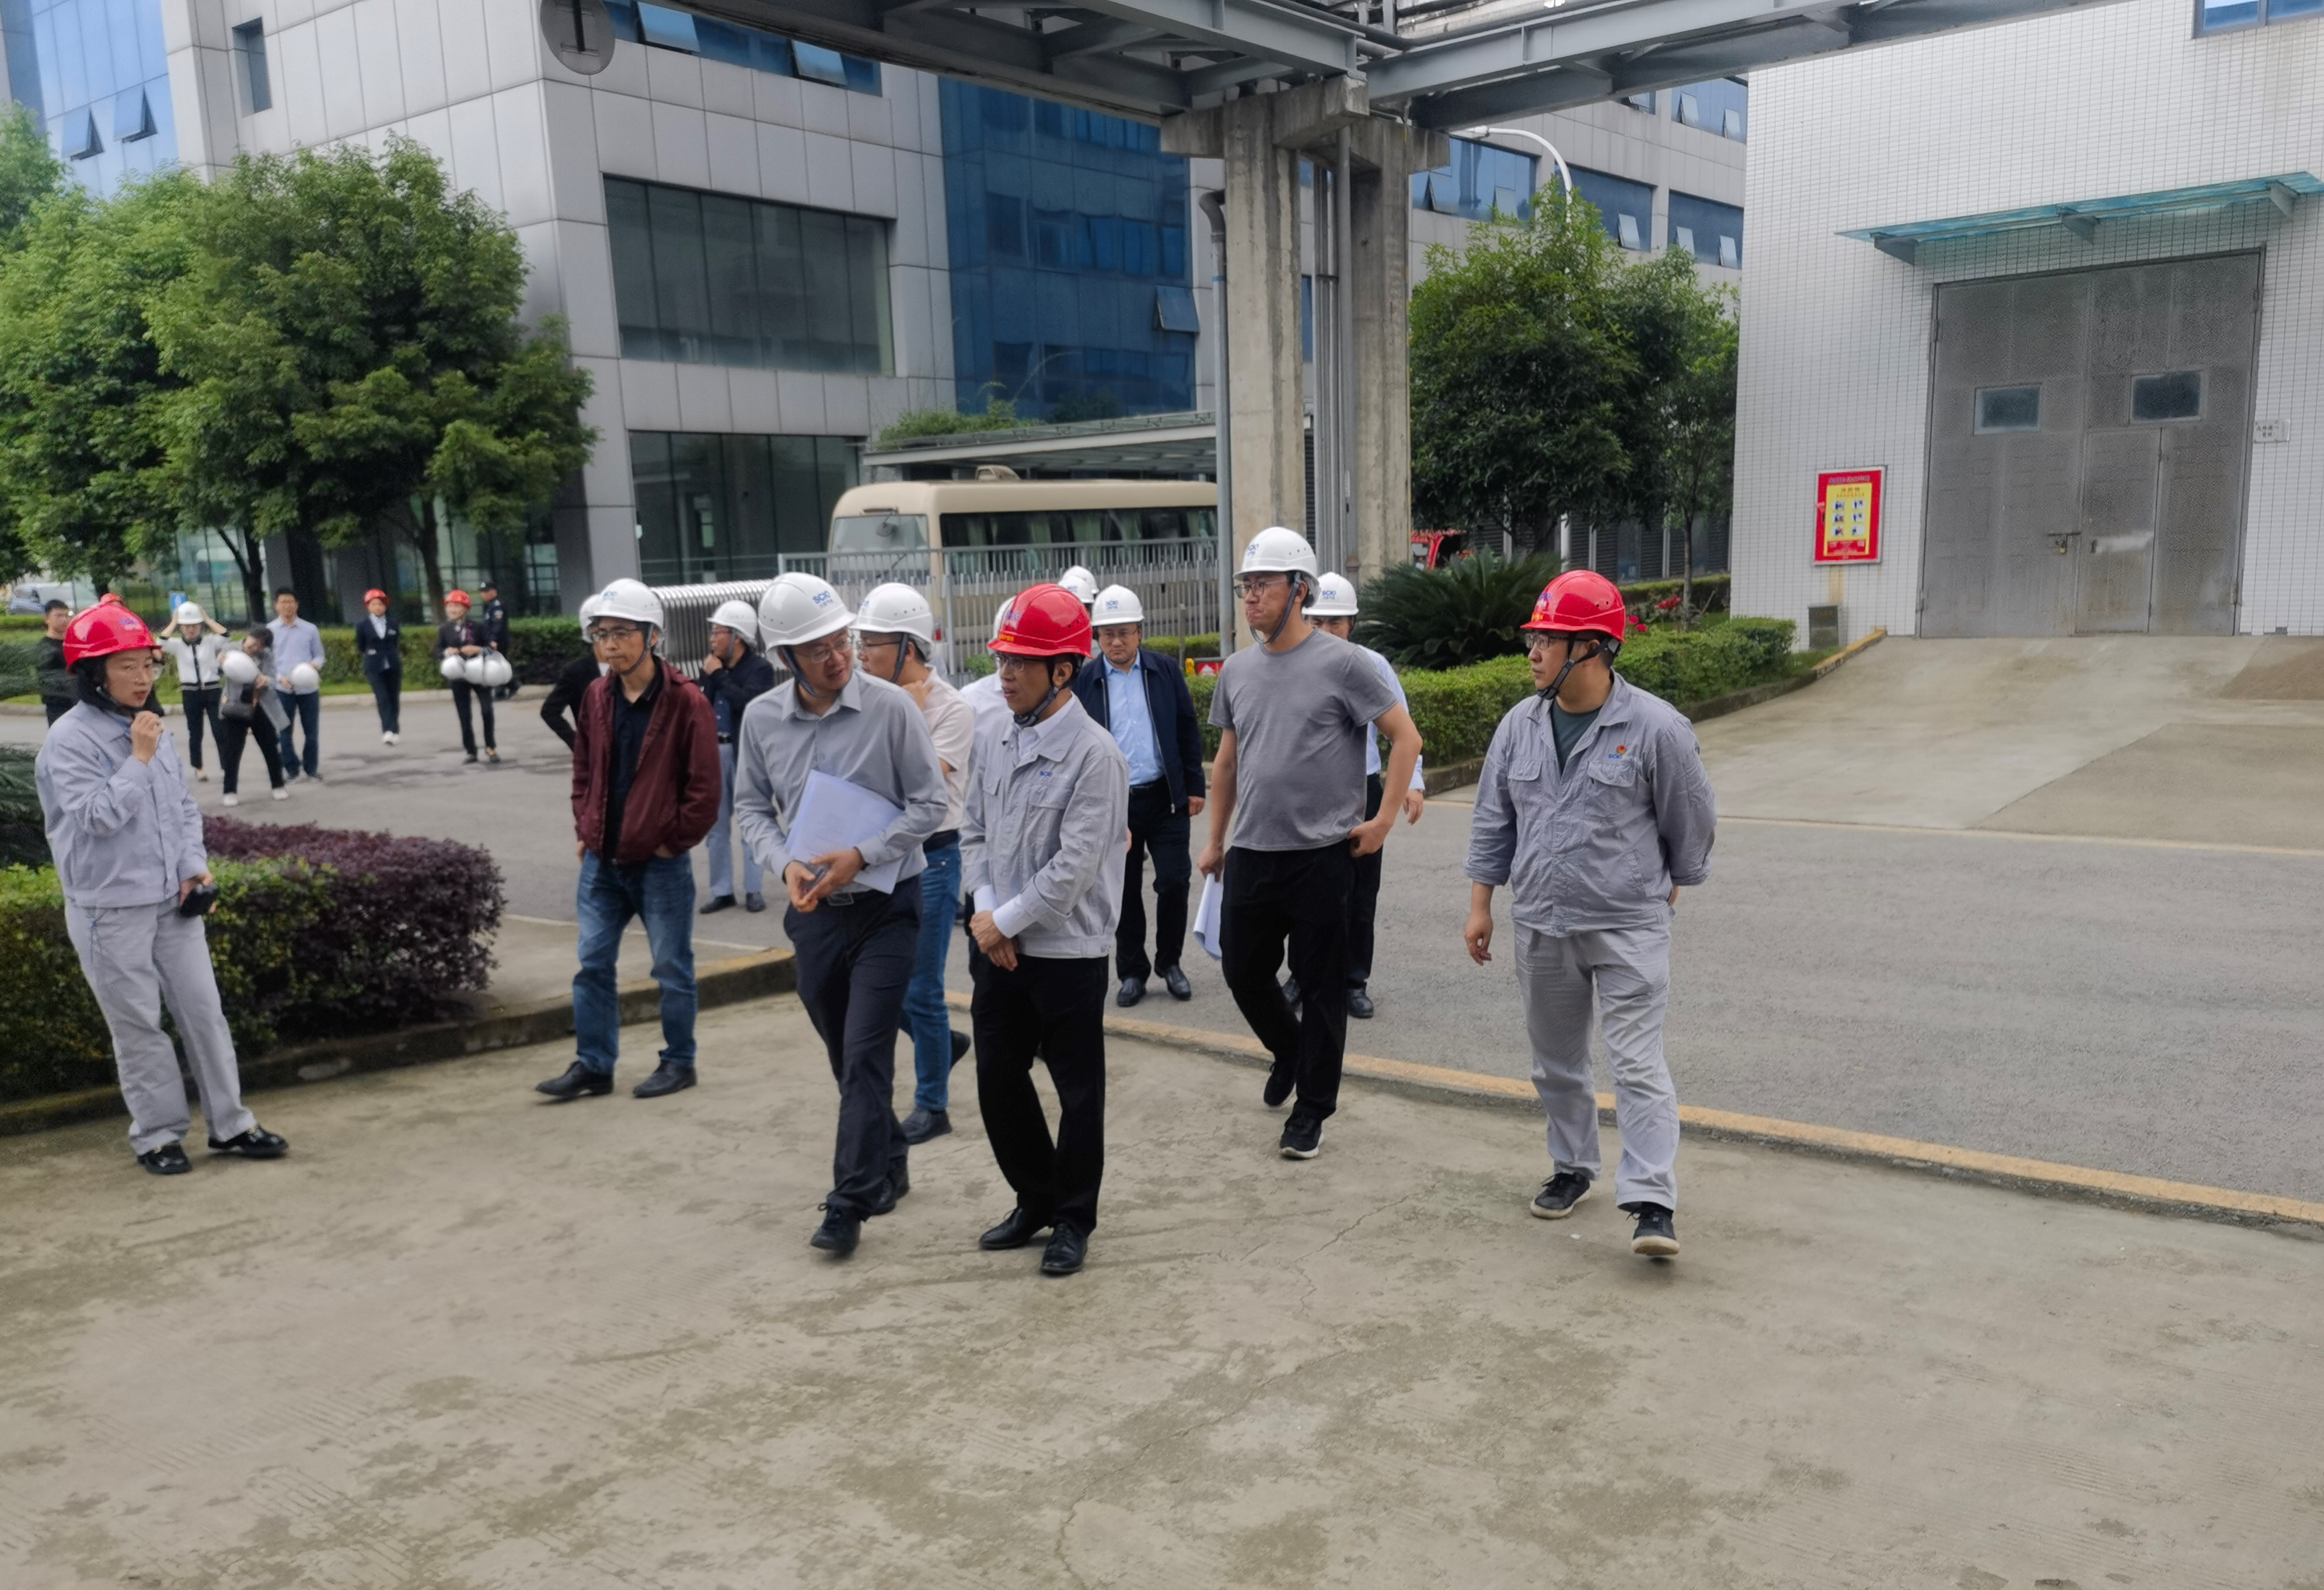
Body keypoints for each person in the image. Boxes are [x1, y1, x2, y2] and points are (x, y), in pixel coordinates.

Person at [1463, 570, 1717, 1261]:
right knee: (1555, 1063)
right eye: (1533, 637)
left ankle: (1652, 1201)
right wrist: (1482, 904)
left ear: (1594, 648)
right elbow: (1493, 819)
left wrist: (1674, 880)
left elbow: (1691, 816)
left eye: (1548, 639)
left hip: (1627, 925)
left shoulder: (1656, 728)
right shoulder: (1518, 726)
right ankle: (1573, 1165)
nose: (1533, 652)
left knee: (1636, 1064)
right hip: (1542, 921)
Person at [34, 598, 289, 1175]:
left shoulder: (148, 726)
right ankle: (157, 1135)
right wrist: (138, 758)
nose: (143, 677)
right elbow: (96, 817)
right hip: (108, 909)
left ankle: (232, 1124)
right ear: (93, 674)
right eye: (126, 666)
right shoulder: (69, 740)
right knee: (138, 1026)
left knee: (205, 1014)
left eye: (148, 664)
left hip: (172, 901)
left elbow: (179, 809)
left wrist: (193, 866)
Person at [732, 572, 946, 1258]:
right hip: (815, 914)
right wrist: (782, 863)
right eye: (817, 649)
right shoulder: (762, 719)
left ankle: (850, 1200)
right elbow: (750, 808)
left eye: (841, 641)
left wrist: (863, 854)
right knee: (844, 1054)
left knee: (864, 1054)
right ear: (785, 658)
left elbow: (930, 805)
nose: (837, 657)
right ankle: (890, 1156)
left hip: (889, 908)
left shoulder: (891, 709)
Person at [1196, 526, 1422, 1162]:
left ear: (1300, 590)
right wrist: (1215, 841)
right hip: (1252, 850)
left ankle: (1312, 1110)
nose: (1251, 596)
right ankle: (1289, 1050)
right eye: (1245, 586)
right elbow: (1227, 763)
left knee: (1322, 988)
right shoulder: (1237, 670)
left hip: (1323, 855)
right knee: (1242, 970)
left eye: (1262, 584)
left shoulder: (1345, 664)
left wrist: (1381, 822)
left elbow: (1405, 738)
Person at [963, 584, 1129, 1277]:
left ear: (1062, 670)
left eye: (1019, 663)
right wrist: (987, 914)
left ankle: (1073, 1218)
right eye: (1001, 660)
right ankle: (1035, 1196)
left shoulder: (1096, 755)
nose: (1003, 675)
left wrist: (999, 922)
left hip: (1067, 951)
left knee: (1077, 1091)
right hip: (998, 944)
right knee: (997, 1077)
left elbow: (1072, 870)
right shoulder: (993, 735)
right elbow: (972, 829)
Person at [539, 578, 721, 1103]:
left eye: (621, 633)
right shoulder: (597, 696)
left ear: (653, 635)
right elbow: (583, 770)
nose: (610, 645)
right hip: (602, 861)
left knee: (671, 967)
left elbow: (705, 789)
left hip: (660, 865)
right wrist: (586, 826)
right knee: (592, 963)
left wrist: (673, 842)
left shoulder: (686, 702)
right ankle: (594, 1066)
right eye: (601, 634)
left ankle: (679, 1061)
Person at [856, 582, 976, 1146]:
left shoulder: (952, 709)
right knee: (879, 985)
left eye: (871, 644)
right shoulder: (866, 700)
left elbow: (915, 781)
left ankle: (934, 1105)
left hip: (934, 857)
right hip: (881, 854)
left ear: (907, 646)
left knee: (921, 988)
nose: (860, 655)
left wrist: (911, 712)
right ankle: (944, 1044)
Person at [1070, 583, 1206, 1006]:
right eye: (1108, 634)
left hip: (1165, 797)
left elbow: (1187, 726)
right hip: (1114, 802)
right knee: (1123, 888)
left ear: (1140, 632)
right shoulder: (1084, 681)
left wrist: (1194, 786)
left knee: (1174, 881)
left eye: (1125, 632)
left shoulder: (1164, 671)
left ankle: (1170, 963)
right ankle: (1132, 972)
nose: (1117, 642)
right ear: (1097, 636)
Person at [1299, 573, 1426, 1020]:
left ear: (1351, 624)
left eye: (1335, 623)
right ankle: (1303, 977)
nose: (1326, 631)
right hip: (1310, 791)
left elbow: (1403, 729)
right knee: (1305, 890)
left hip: (1363, 790)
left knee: (1360, 891)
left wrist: (1413, 783)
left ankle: (1354, 981)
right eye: (1317, 622)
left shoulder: (1372, 665)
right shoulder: (1294, 666)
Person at [696, 597, 777, 913]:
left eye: (718, 633)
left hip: (745, 753)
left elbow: (748, 703)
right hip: (713, 750)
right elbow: (701, 706)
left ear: (737, 637)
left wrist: (718, 676)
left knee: (750, 821)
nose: (712, 639)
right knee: (716, 825)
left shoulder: (760, 669)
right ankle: (722, 890)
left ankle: (753, 890)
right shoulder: (712, 668)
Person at [216, 626, 291, 806]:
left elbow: (273, 677)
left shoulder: (266, 655)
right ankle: (230, 791)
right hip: (235, 705)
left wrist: (266, 680)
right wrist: (219, 663)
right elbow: (215, 672)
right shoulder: (229, 649)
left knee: (270, 747)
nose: (255, 647)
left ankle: (278, 785)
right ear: (247, 636)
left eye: (260, 645)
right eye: (254, 642)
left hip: (261, 705)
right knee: (232, 751)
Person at [157, 602, 231, 782]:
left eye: (195, 626)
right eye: (187, 626)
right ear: (181, 628)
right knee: (195, 732)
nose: (191, 630)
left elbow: (225, 636)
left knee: (219, 730)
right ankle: (198, 767)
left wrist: (207, 619)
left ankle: (226, 765)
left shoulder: (210, 642)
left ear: (200, 626)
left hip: (212, 689)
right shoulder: (177, 645)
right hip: (190, 691)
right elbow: (160, 643)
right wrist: (174, 622)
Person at [435, 590, 501, 765]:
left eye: (457, 606)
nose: (453, 610)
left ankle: (491, 747)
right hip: (458, 676)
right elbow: (438, 652)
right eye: (450, 606)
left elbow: (492, 648)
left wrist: (477, 649)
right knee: (464, 715)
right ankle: (471, 751)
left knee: (487, 711)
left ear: (466, 608)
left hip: (480, 673)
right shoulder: (444, 630)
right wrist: (447, 652)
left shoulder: (479, 627)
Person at [267, 587, 324, 783]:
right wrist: (280, 678)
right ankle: (291, 768)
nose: (287, 606)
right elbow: (267, 662)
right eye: (283, 602)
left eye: (291, 602)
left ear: (297, 605)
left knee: (312, 733)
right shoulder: (270, 631)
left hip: (308, 688)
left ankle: (311, 769)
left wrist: (314, 666)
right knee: (284, 733)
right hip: (283, 689)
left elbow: (319, 656)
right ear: (276, 606)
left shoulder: (310, 629)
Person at [541, 595, 605, 751]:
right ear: (591, 630)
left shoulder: (632, 667)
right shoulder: (576, 672)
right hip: (594, 755)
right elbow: (550, 711)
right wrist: (577, 745)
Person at [354, 588, 403, 744]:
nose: (378, 607)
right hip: (374, 666)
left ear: (386, 606)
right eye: (374, 604)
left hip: (392, 664)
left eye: (381, 604)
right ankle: (387, 730)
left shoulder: (393, 623)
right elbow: (361, 646)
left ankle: (395, 729)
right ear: (368, 606)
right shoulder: (362, 625)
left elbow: (396, 642)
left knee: (393, 697)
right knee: (382, 698)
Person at [474, 576, 517, 700]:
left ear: (494, 592)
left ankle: (506, 688)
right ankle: (509, 687)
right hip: (493, 641)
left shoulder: (497, 607)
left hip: (498, 642)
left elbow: (498, 626)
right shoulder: (490, 607)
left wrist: (493, 640)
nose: (483, 594)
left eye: (486, 592)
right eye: (482, 592)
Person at [36, 598, 76, 724]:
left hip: (79, 704)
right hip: (58, 707)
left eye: (67, 615)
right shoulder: (44, 648)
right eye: (59, 616)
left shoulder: (74, 644)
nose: (64, 620)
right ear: (47, 619)